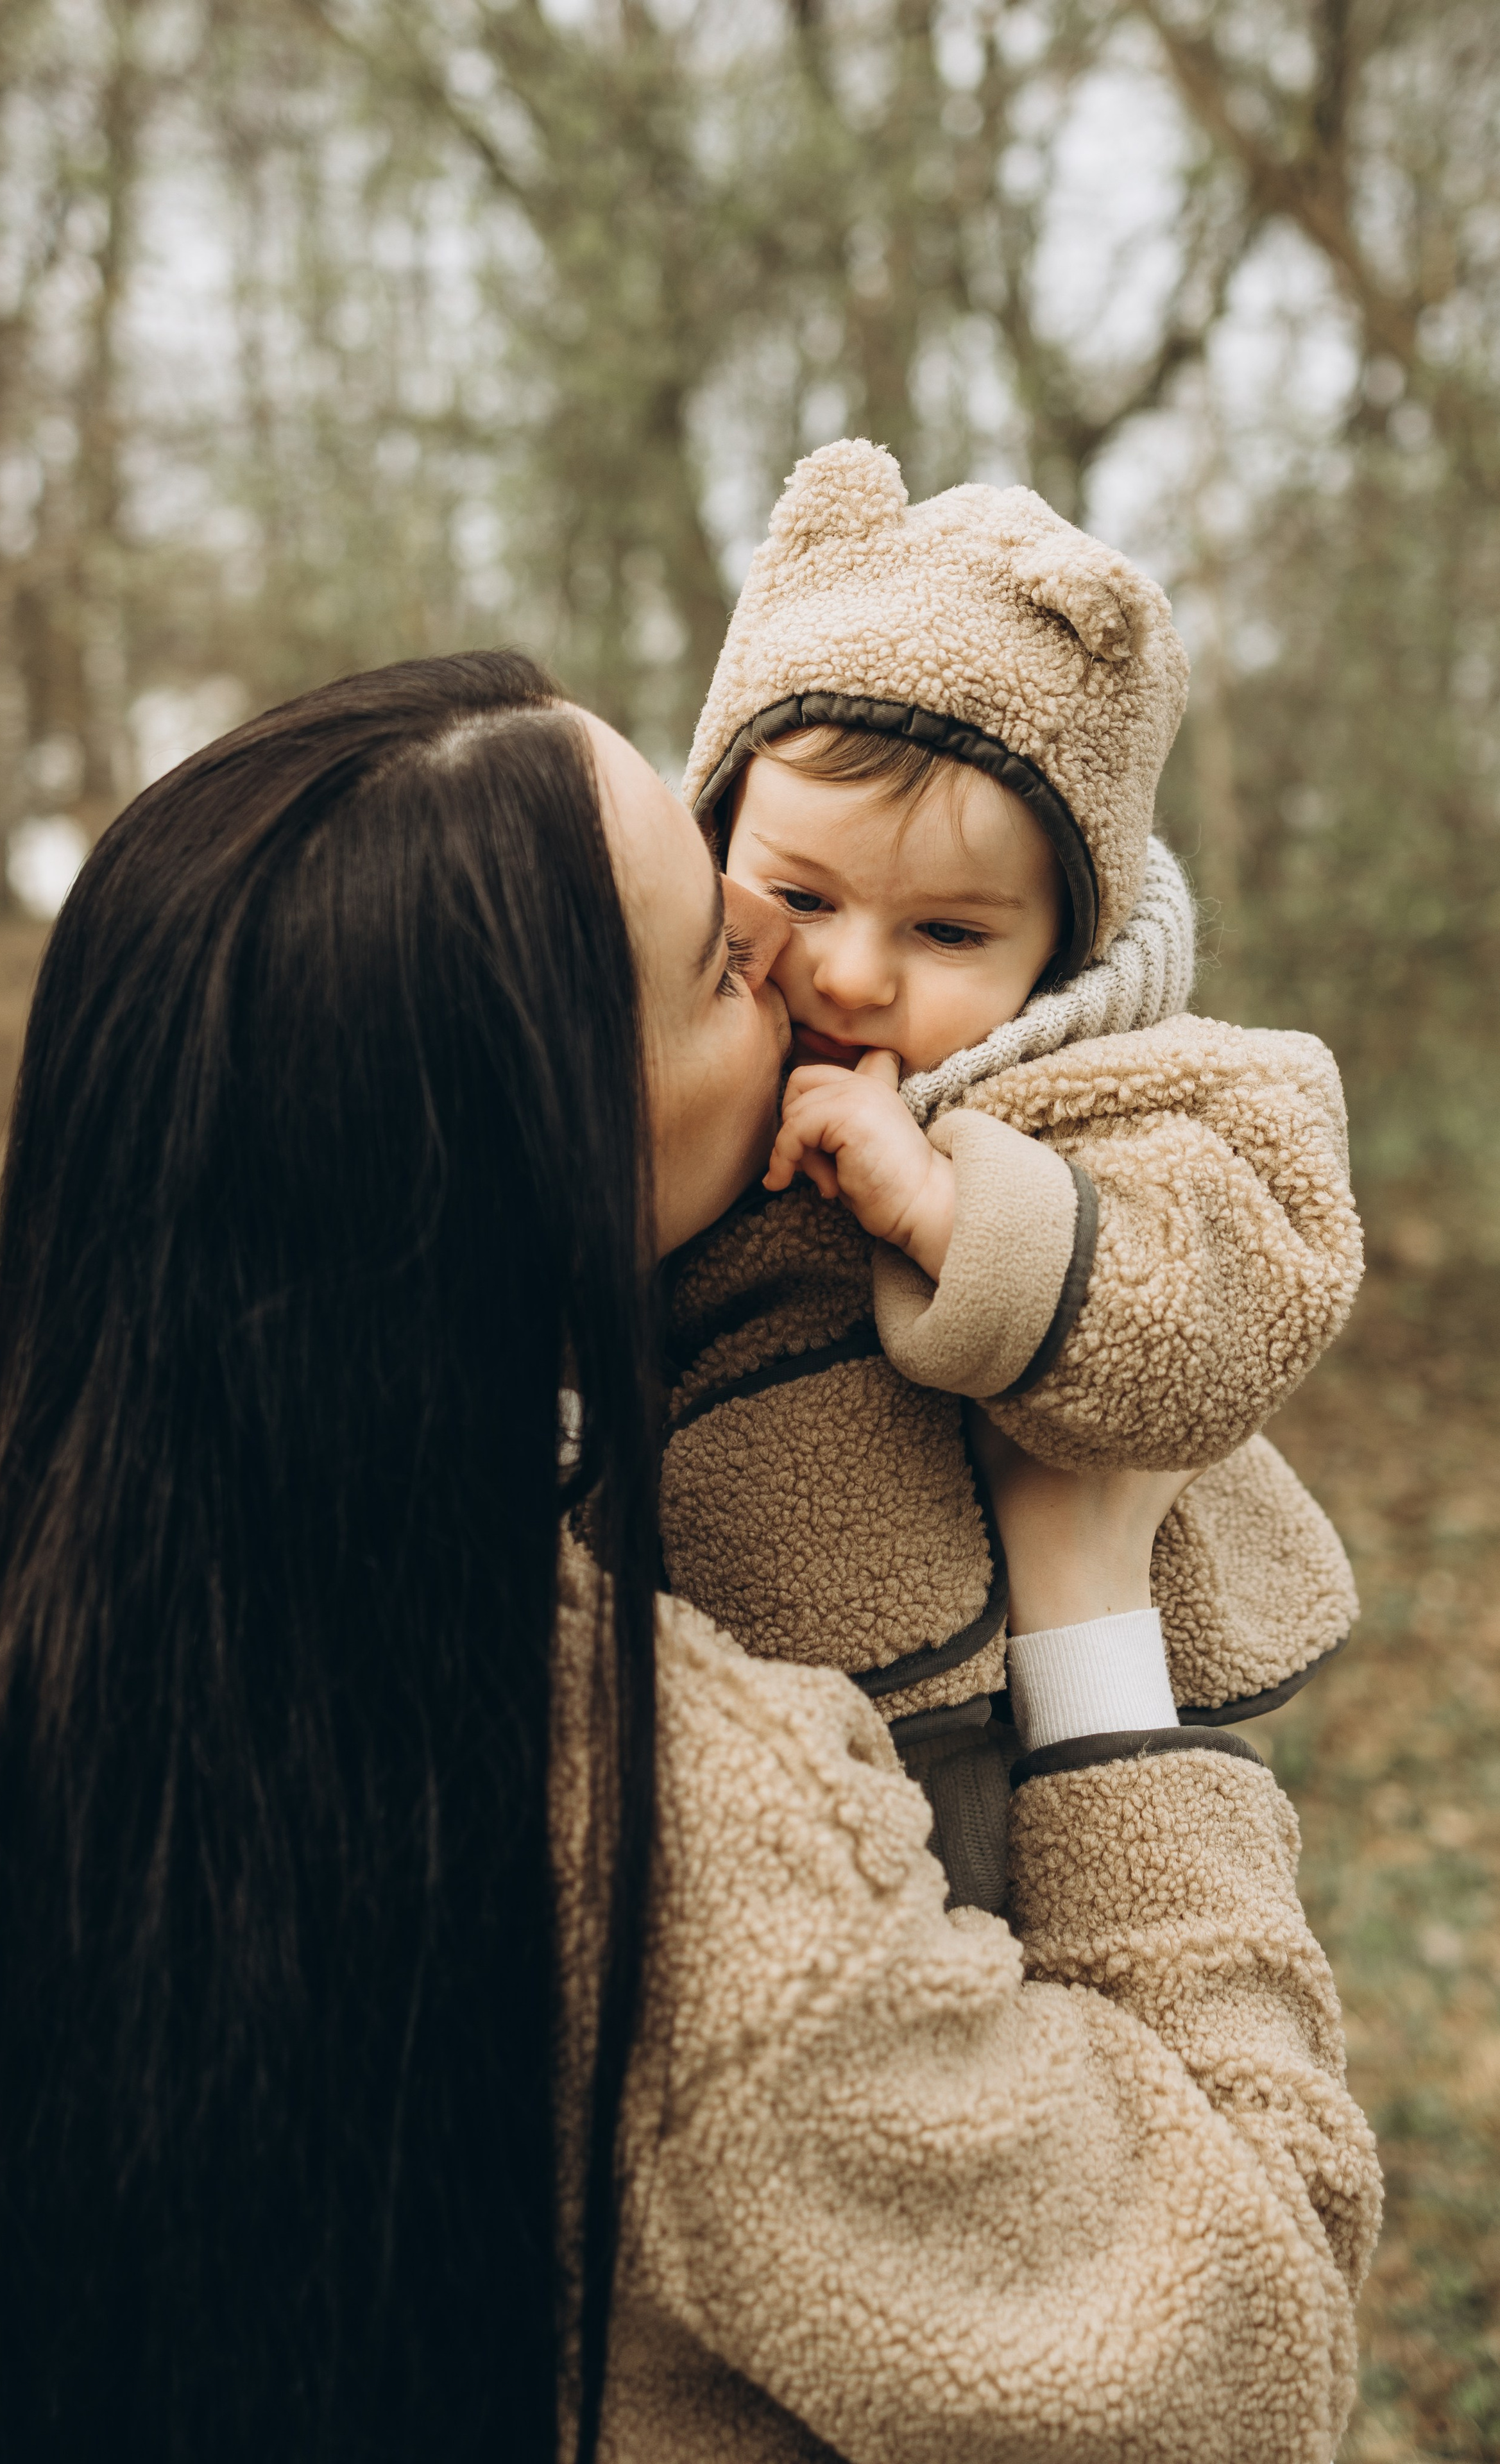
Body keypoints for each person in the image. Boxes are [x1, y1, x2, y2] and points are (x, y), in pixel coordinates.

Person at [0, 652, 1378, 2464]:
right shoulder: (685, 1848)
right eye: (723, 961)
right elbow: (1240, 2361)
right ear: (548, 1152)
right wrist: (1093, 1625)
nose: (797, 954)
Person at [661, 438, 1363, 1903]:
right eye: (799, 895)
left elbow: (1229, 1304)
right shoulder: (672, 1059)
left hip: (1004, 1729)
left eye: (948, 933)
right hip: (724, 1739)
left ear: (1060, 944)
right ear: (713, 836)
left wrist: (951, 1210)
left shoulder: (1124, 1084)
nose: (853, 974)